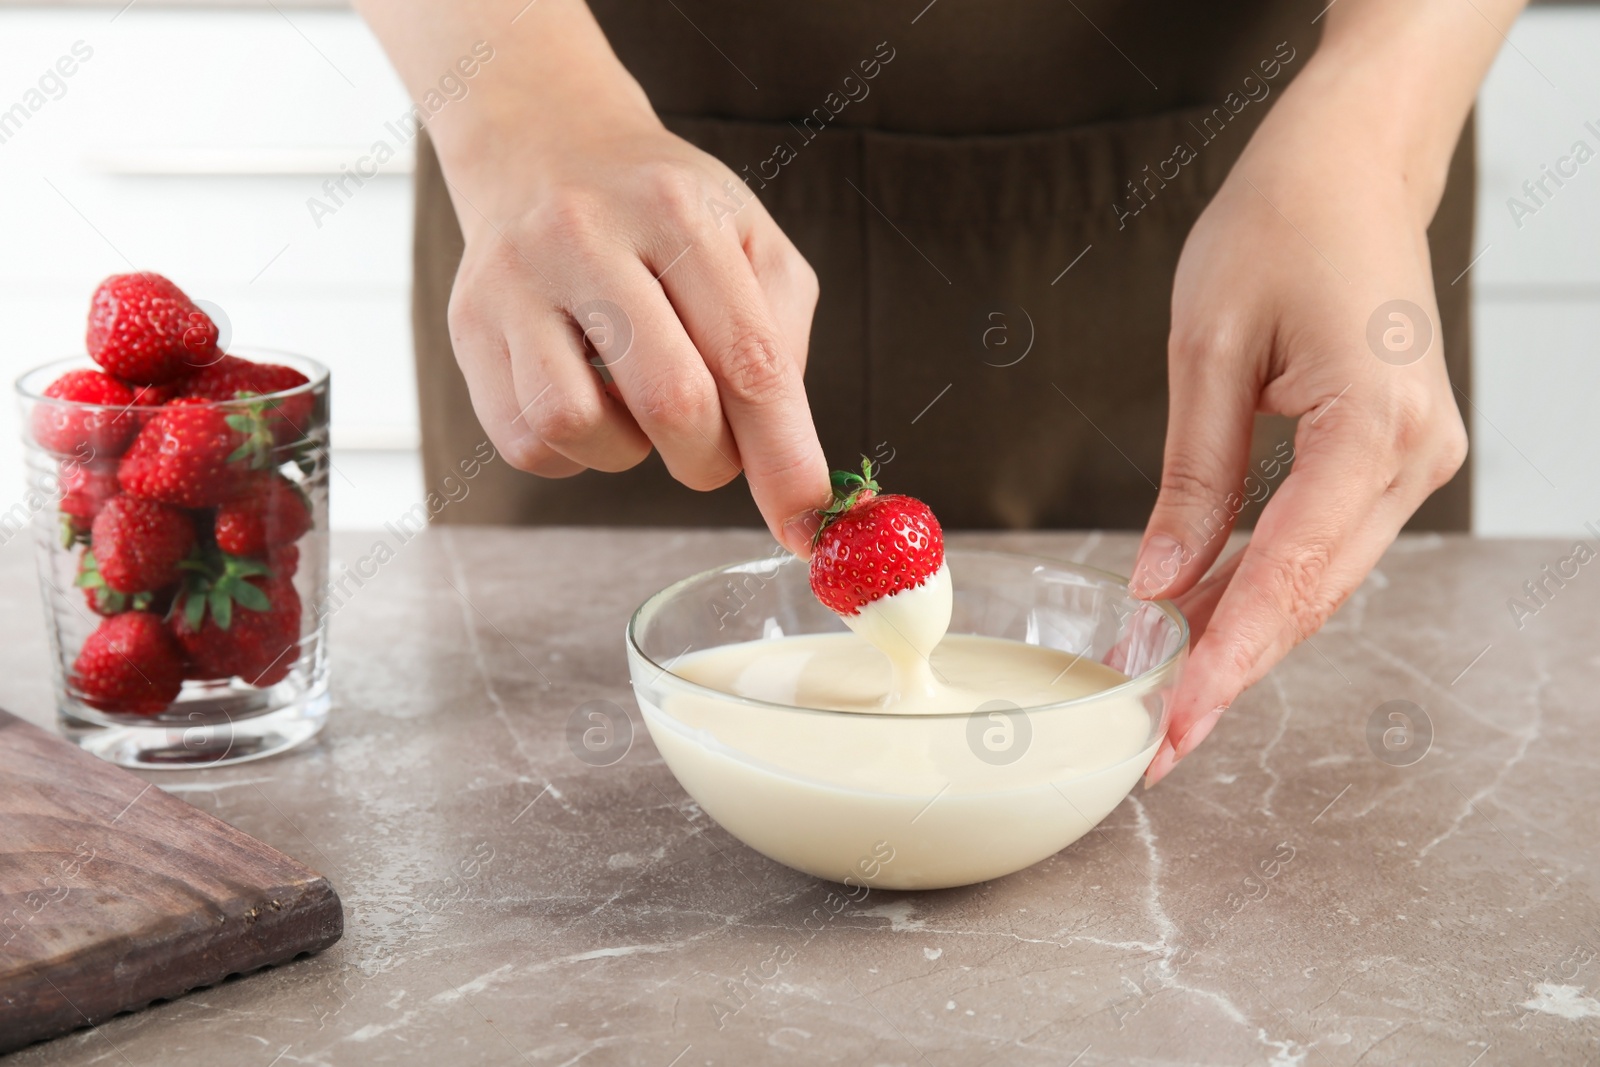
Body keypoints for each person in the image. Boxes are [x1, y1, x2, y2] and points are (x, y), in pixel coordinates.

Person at [353, 0, 1525, 786]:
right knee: (578, 799)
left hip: (1274, 174)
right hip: (601, 187)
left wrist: (1379, 129)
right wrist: (523, 109)